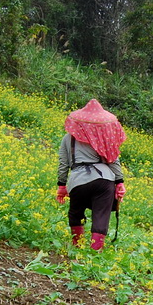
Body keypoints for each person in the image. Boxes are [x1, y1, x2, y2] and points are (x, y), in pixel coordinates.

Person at [56, 99, 127, 250]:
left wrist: (62, 186)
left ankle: (78, 247)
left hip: (78, 180)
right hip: (104, 180)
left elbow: (63, 164)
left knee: (76, 212)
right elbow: (113, 160)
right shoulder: (104, 137)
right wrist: (120, 182)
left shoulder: (67, 138)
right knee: (101, 214)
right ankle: (95, 251)